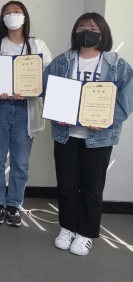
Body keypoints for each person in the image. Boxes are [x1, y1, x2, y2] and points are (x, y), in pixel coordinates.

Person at [44, 13, 133, 256]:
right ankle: (67, 227)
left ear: (103, 33)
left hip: (99, 138)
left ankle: (85, 233)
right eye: (82, 28)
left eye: (93, 28)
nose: (87, 32)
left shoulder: (116, 63)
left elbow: (127, 98)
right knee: (67, 185)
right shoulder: (63, 61)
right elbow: (47, 89)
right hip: (67, 134)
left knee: (92, 187)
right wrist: (55, 111)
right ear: (75, 32)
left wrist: (106, 120)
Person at [0, 0, 52, 227]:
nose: (12, 15)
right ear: (2, 18)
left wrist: (32, 89)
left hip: (26, 109)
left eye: (17, 11)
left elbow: (48, 77)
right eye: (7, 12)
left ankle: (13, 205)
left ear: (25, 16)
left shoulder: (37, 45)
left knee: (20, 162)